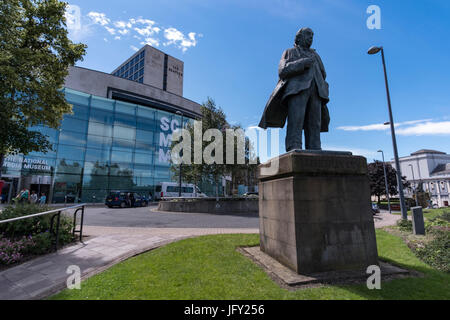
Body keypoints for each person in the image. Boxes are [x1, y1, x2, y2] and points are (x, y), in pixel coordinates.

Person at [259, 27, 330, 152]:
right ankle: (294, 148)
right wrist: (303, 63)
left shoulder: (316, 55)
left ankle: (315, 148)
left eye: (312, 35)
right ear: (299, 37)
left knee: (315, 123)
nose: (311, 38)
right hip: (297, 90)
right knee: (296, 121)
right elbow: (283, 70)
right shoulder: (290, 52)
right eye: (308, 34)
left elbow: (323, 73)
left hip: (316, 91)